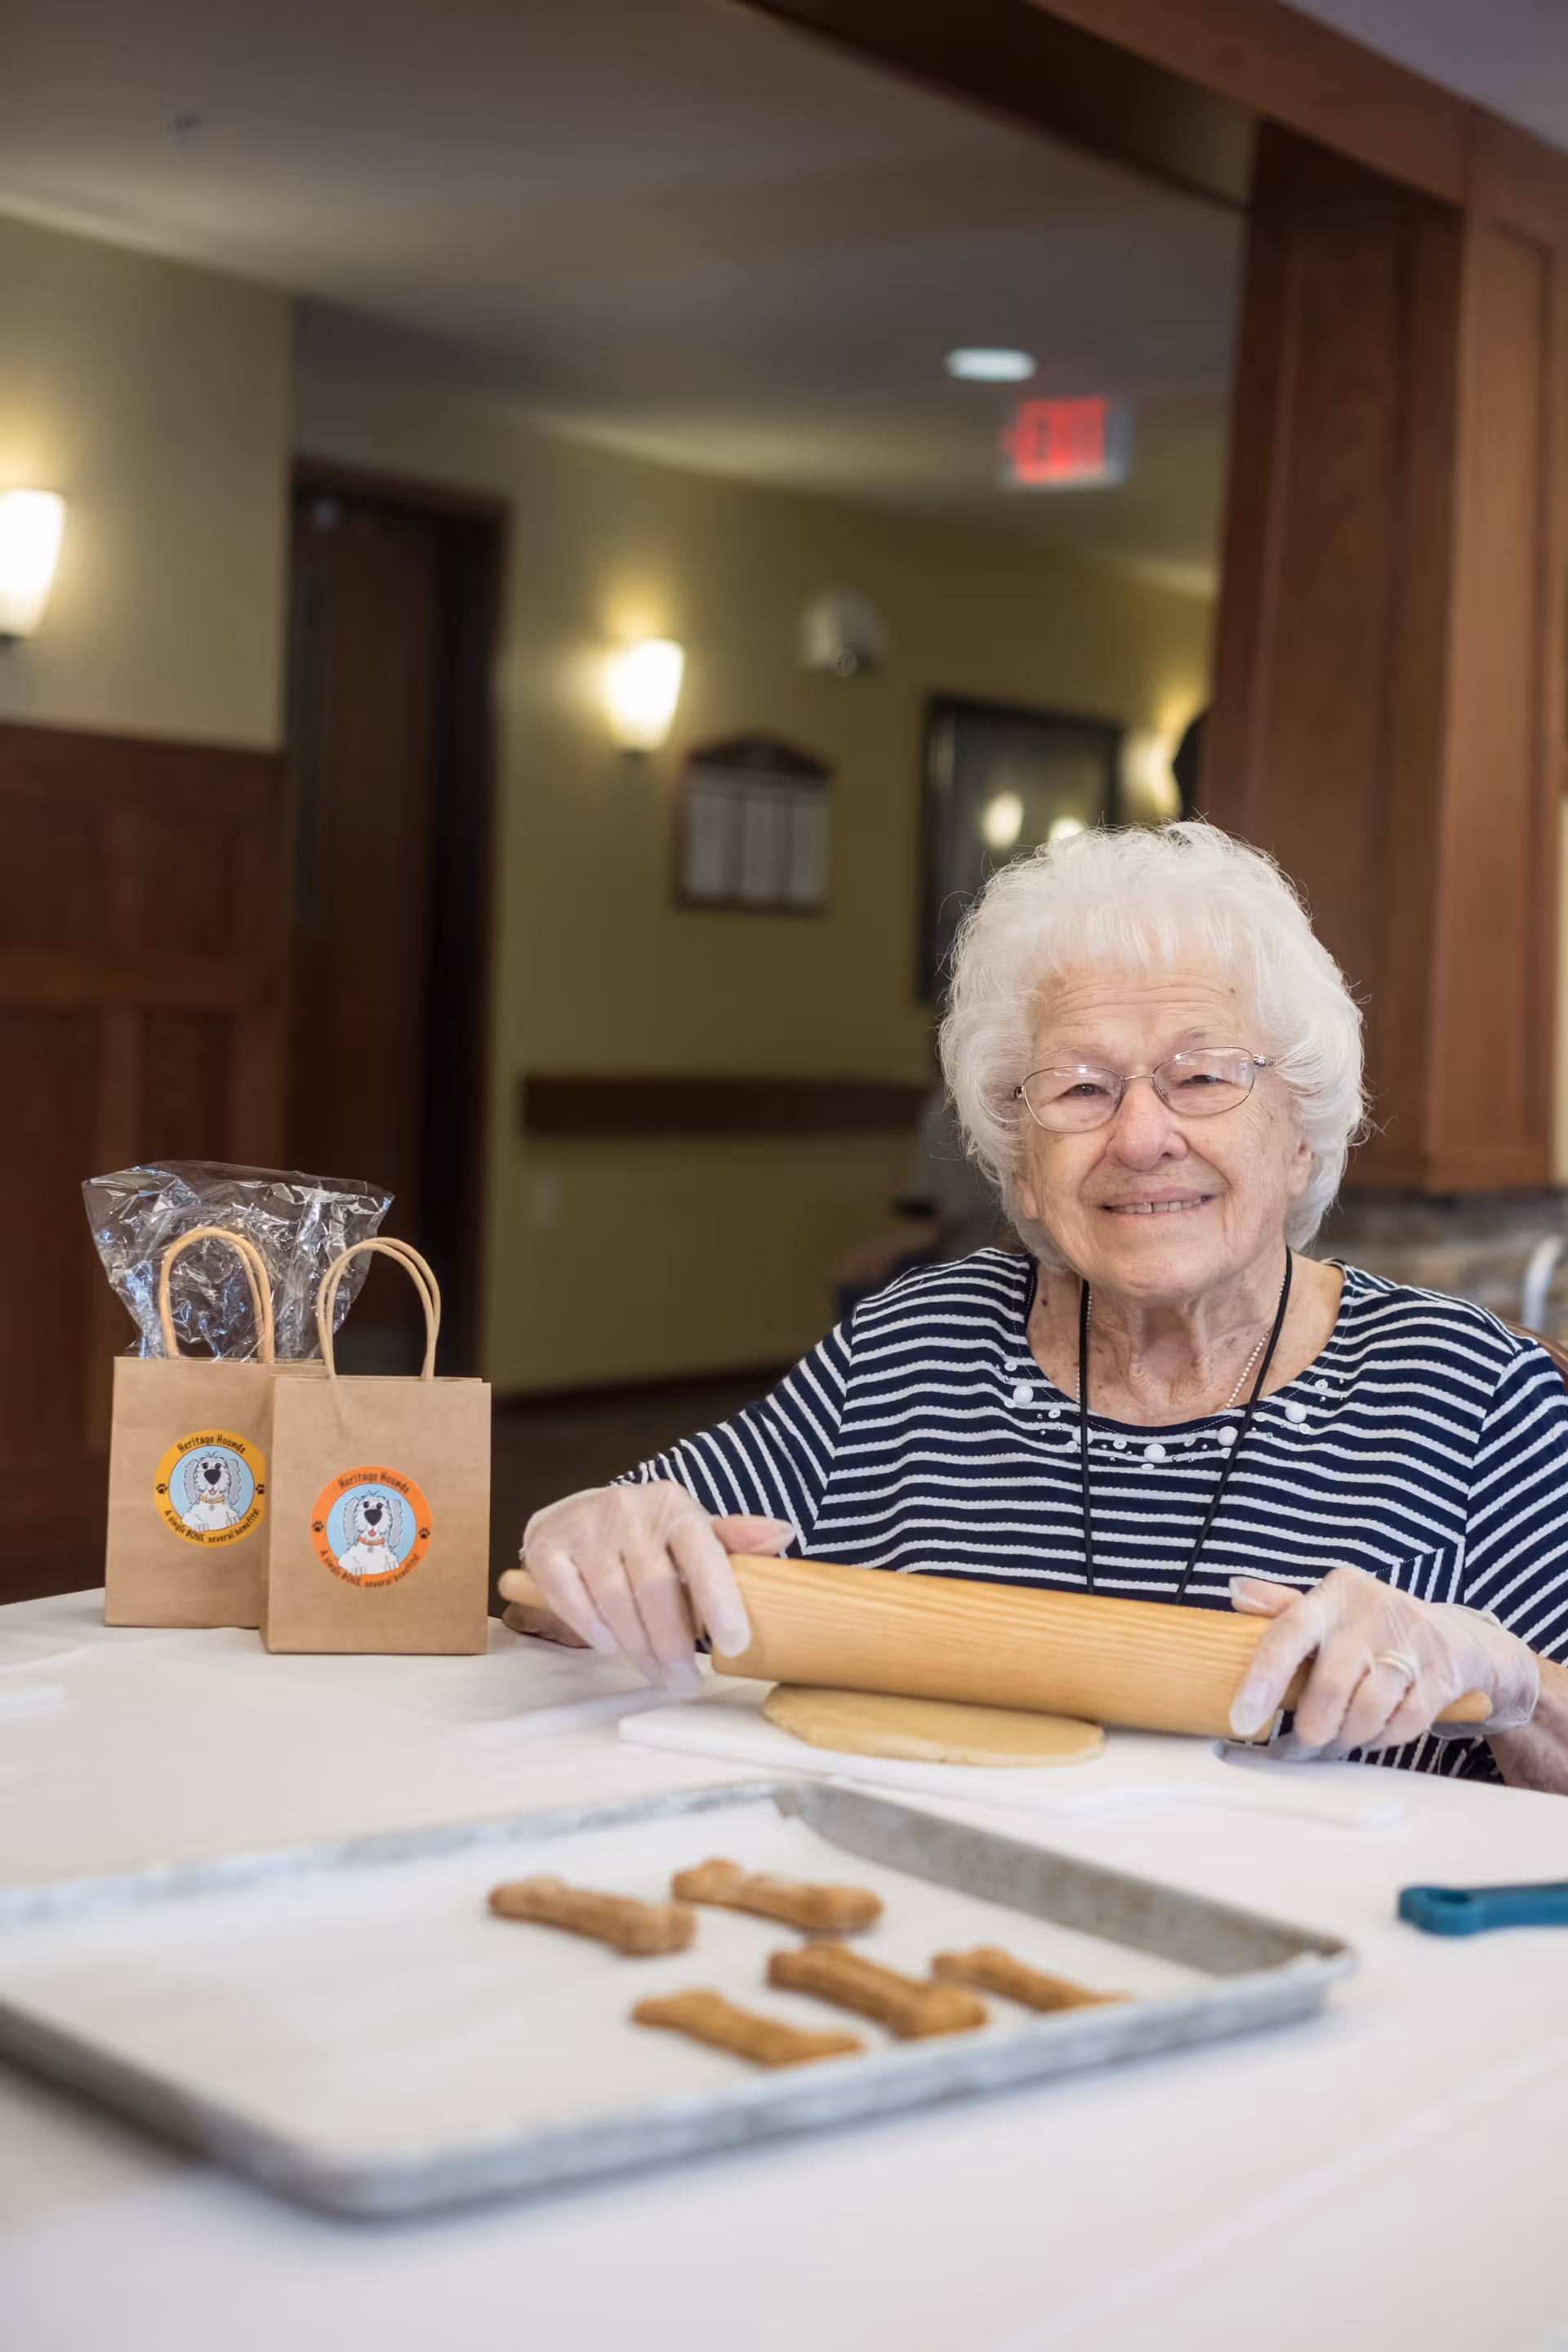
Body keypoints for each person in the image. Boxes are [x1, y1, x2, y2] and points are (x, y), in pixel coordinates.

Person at [521, 822, 1568, 1788]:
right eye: (1078, 1089)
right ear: (1021, 1170)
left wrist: (1506, 1672)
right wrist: (583, 1536)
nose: (1142, 1135)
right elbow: (577, 1600)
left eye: (1202, 1077)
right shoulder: (912, 1348)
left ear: (1303, 1136)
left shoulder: (1468, 1392)